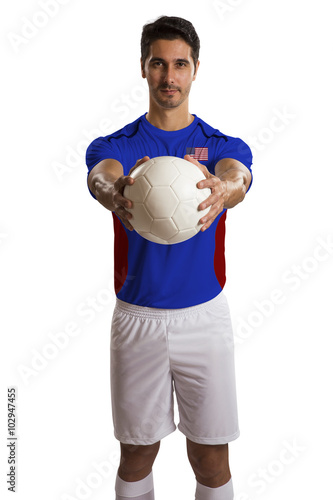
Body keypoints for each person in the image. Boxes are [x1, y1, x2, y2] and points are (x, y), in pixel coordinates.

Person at [85, 15, 253, 500]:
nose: (169, 76)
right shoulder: (116, 145)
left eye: (180, 64)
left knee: (210, 455)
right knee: (137, 452)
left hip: (204, 317)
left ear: (195, 69)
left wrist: (225, 187)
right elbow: (103, 173)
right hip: (138, 316)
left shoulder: (223, 145)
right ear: (144, 68)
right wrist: (112, 190)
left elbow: (236, 174)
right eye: (159, 64)